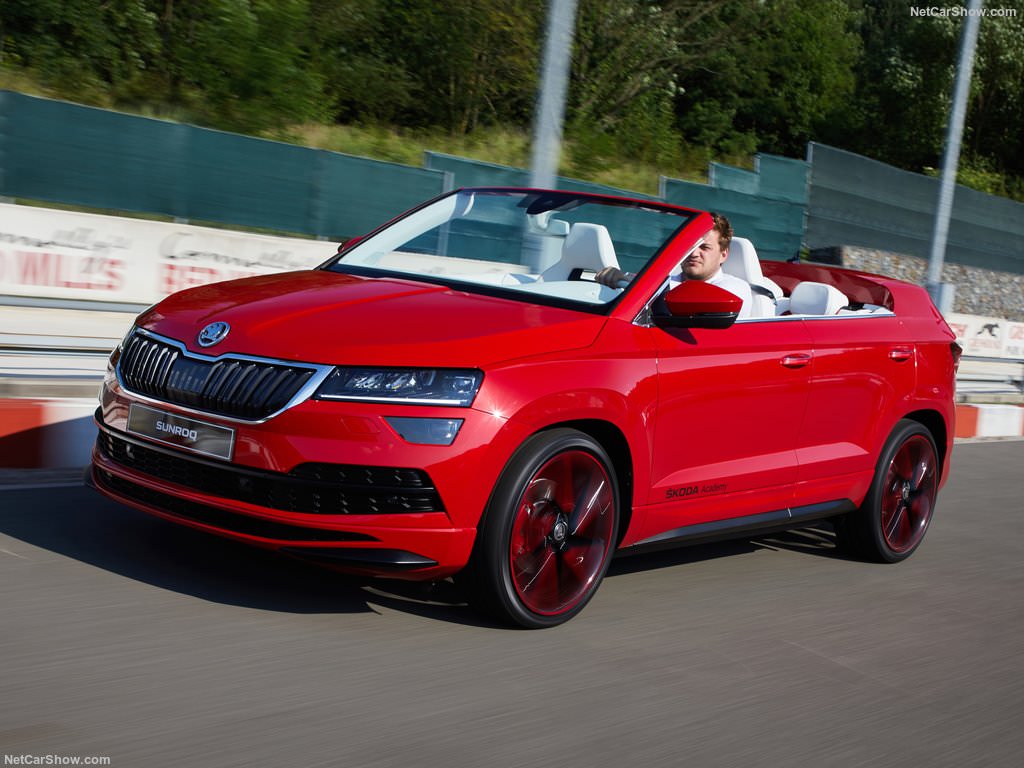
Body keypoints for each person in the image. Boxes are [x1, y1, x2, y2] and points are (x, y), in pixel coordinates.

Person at [595, 212, 752, 319]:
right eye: (689, 246)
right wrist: (618, 278)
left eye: (704, 248)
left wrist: (630, 281)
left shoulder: (735, 288)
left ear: (724, 254)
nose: (694, 253)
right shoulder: (666, 281)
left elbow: (687, 302)